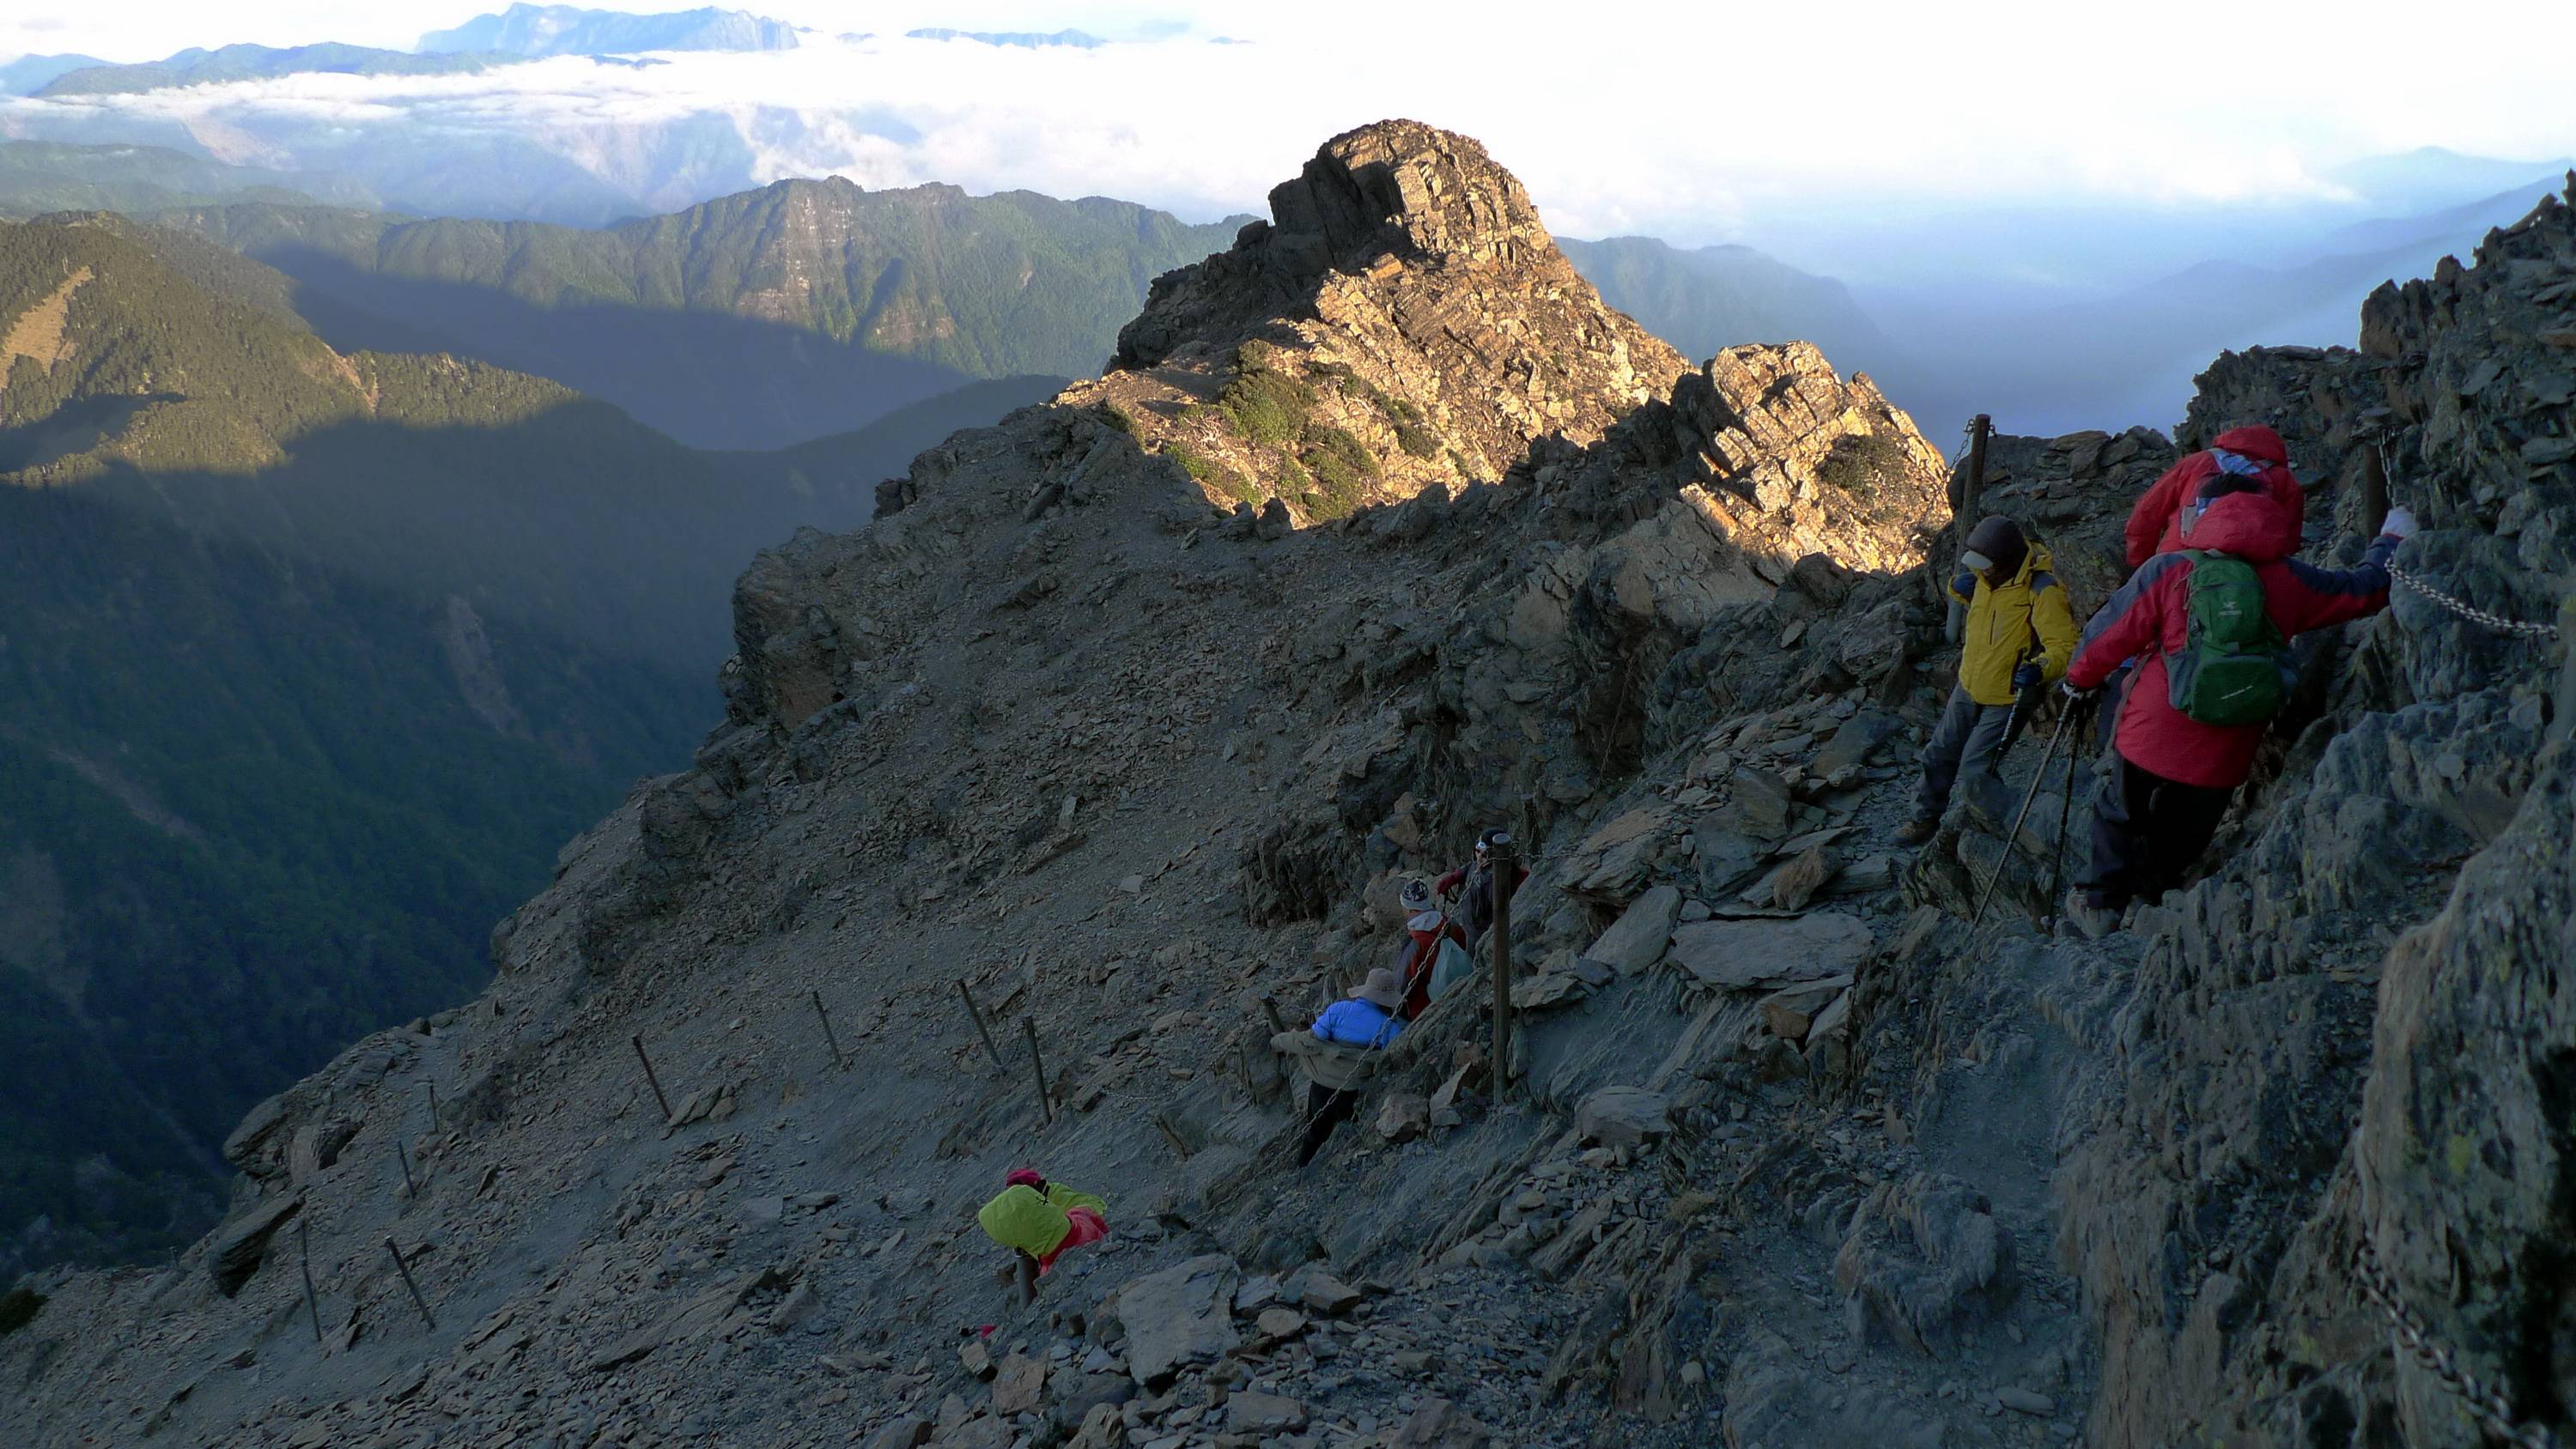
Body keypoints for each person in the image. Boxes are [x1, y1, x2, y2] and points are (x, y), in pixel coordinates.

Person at [2059, 476, 2415, 936]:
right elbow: (2362, 591)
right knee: (2186, 826)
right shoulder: (2291, 579)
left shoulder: (2170, 570)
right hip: (2229, 741)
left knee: (2120, 808)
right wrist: (2391, 537)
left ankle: (2101, 905)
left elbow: (2111, 635)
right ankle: (2152, 898)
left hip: (2153, 728)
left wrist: (2077, 682)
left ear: (2205, 514)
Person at [1894, 516, 2077, 846]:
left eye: (1986, 565)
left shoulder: (2041, 590)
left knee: (1975, 771)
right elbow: (1990, 613)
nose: (1980, 571)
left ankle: (1986, 827)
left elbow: (2064, 645)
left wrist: (2041, 668)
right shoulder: (1986, 575)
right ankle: (1924, 818)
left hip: (2008, 697)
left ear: (2005, 561)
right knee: (1939, 752)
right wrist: (1956, 588)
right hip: (1969, 684)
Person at [2123, 425, 2304, 571]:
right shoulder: (2283, 478)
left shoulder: (2197, 462)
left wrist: (2141, 565)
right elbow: (2288, 539)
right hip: (2251, 568)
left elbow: (2146, 514)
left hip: (2179, 561)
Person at [1297, 968, 1405, 1166]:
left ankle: (1301, 1169)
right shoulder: (1389, 1025)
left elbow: (1317, 1037)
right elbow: (1392, 1055)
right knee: (1348, 1133)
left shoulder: (1338, 1009)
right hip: (1352, 1089)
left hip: (1321, 1086)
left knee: (1314, 1133)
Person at [975, 1168, 1109, 1299]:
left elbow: (1093, 1205)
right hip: (1069, 1232)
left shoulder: (1054, 1195)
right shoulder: (1028, 1209)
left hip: (1062, 1240)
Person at [1434, 831, 1527, 946]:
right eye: (1477, 852)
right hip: (1468, 924)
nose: (1479, 857)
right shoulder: (1480, 865)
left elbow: (1500, 908)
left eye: (1484, 854)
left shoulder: (1498, 879)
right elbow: (1470, 867)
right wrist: (1453, 878)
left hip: (1479, 933)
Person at [1394, 878, 1467, 1020]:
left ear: (1409, 909)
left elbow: (1403, 984)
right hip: (1460, 988)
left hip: (1425, 1011)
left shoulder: (1415, 943)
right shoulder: (1450, 925)